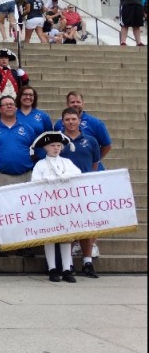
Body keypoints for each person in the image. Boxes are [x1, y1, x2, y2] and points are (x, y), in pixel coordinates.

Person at [30, 131, 81, 283]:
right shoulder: (41, 164)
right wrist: (45, 180)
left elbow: (79, 175)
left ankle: (67, 269)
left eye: (59, 145)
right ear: (46, 147)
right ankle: (52, 268)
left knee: (66, 237)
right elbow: (34, 182)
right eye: (52, 145)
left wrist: (70, 177)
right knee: (50, 236)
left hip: (65, 205)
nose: (56, 148)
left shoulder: (67, 163)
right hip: (48, 206)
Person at [0, 95, 37, 226]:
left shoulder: (27, 128)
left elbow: (34, 150)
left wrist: (20, 162)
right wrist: (0, 164)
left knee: (23, 211)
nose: (10, 106)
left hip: (24, 176)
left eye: (12, 104)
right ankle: (3, 244)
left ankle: (21, 243)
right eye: (6, 104)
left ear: (16, 108)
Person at [58, 106, 102, 278]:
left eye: (73, 119)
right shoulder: (58, 140)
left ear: (79, 121)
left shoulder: (90, 140)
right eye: (67, 119)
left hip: (85, 189)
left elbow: (94, 165)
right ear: (63, 122)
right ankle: (67, 263)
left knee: (87, 226)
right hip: (64, 190)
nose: (70, 122)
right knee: (67, 227)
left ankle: (87, 262)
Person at [54, 91, 112, 171]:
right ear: (67, 104)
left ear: (83, 104)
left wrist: (92, 158)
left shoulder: (96, 123)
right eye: (72, 102)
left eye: (78, 102)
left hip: (89, 169)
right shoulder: (58, 124)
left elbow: (107, 145)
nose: (75, 104)